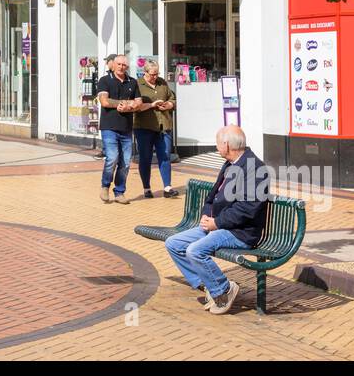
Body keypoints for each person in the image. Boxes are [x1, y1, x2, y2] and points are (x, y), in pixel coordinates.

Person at [164, 126, 269, 315]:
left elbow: (249, 208)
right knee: (173, 243)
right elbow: (213, 196)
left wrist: (217, 222)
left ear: (227, 145)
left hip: (240, 232)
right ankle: (210, 287)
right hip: (219, 225)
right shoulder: (230, 163)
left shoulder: (255, 168)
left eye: (218, 143)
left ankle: (223, 290)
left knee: (194, 250)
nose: (216, 146)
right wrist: (207, 214)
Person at [96, 54, 141, 205]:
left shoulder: (132, 82)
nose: (122, 67)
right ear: (113, 65)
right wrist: (122, 104)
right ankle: (105, 186)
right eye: (119, 64)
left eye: (124, 65)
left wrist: (129, 106)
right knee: (112, 157)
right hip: (109, 126)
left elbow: (139, 102)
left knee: (126, 162)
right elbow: (104, 101)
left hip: (126, 128)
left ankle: (120, 192)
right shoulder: (104, 80)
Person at [134, 60, 178, 199]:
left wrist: (169, 104)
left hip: (163, 125)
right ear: (145, 72)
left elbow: (173, 98)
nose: (155, 77)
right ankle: (147, 188)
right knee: (145, 158)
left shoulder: (162, 83)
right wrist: (152, 105)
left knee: (165, 156)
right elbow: (134, 105)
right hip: (144, 127)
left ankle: (167, 187)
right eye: (152, 74)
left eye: (157, 73)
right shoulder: (137, 85)